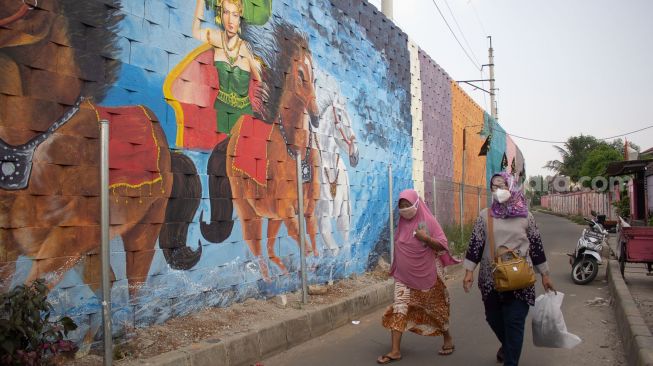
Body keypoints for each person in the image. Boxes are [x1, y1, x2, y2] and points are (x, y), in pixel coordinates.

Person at [463, 172, 555, 366]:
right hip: (491, 279)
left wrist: (545, 275)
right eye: (494, 187)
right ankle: (508, 345)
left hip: (520, 280)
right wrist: (469, 271)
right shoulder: (484, 216)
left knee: (514, 323)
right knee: (493, 318)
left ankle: (511, 359)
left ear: (512, 186)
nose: (498, 191)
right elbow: (475, 245)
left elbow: (537, 247)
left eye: (502, 186)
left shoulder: (526, 217)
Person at [377, 189, 460, 364]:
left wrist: (426, 238)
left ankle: (447, 337)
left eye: (408, 205)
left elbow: (442, 246)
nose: (405, 209)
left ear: (416, 204)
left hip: (428, 274)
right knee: (400, 307)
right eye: (401, 206)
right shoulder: (401, 224)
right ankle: (395, 350)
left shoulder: (428, 221)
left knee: (434, 309)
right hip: (403, 277)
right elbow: (400, 248)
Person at [192, 0, 263, 134]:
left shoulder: (246, 48)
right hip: (220, 112)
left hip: (244, 115)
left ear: (240, 18)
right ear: (221, 15)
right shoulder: (215, 38)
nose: (230, 20)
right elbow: (195, 32)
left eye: (235, 15)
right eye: (226, 13)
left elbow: (260, 81)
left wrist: (257, 103)